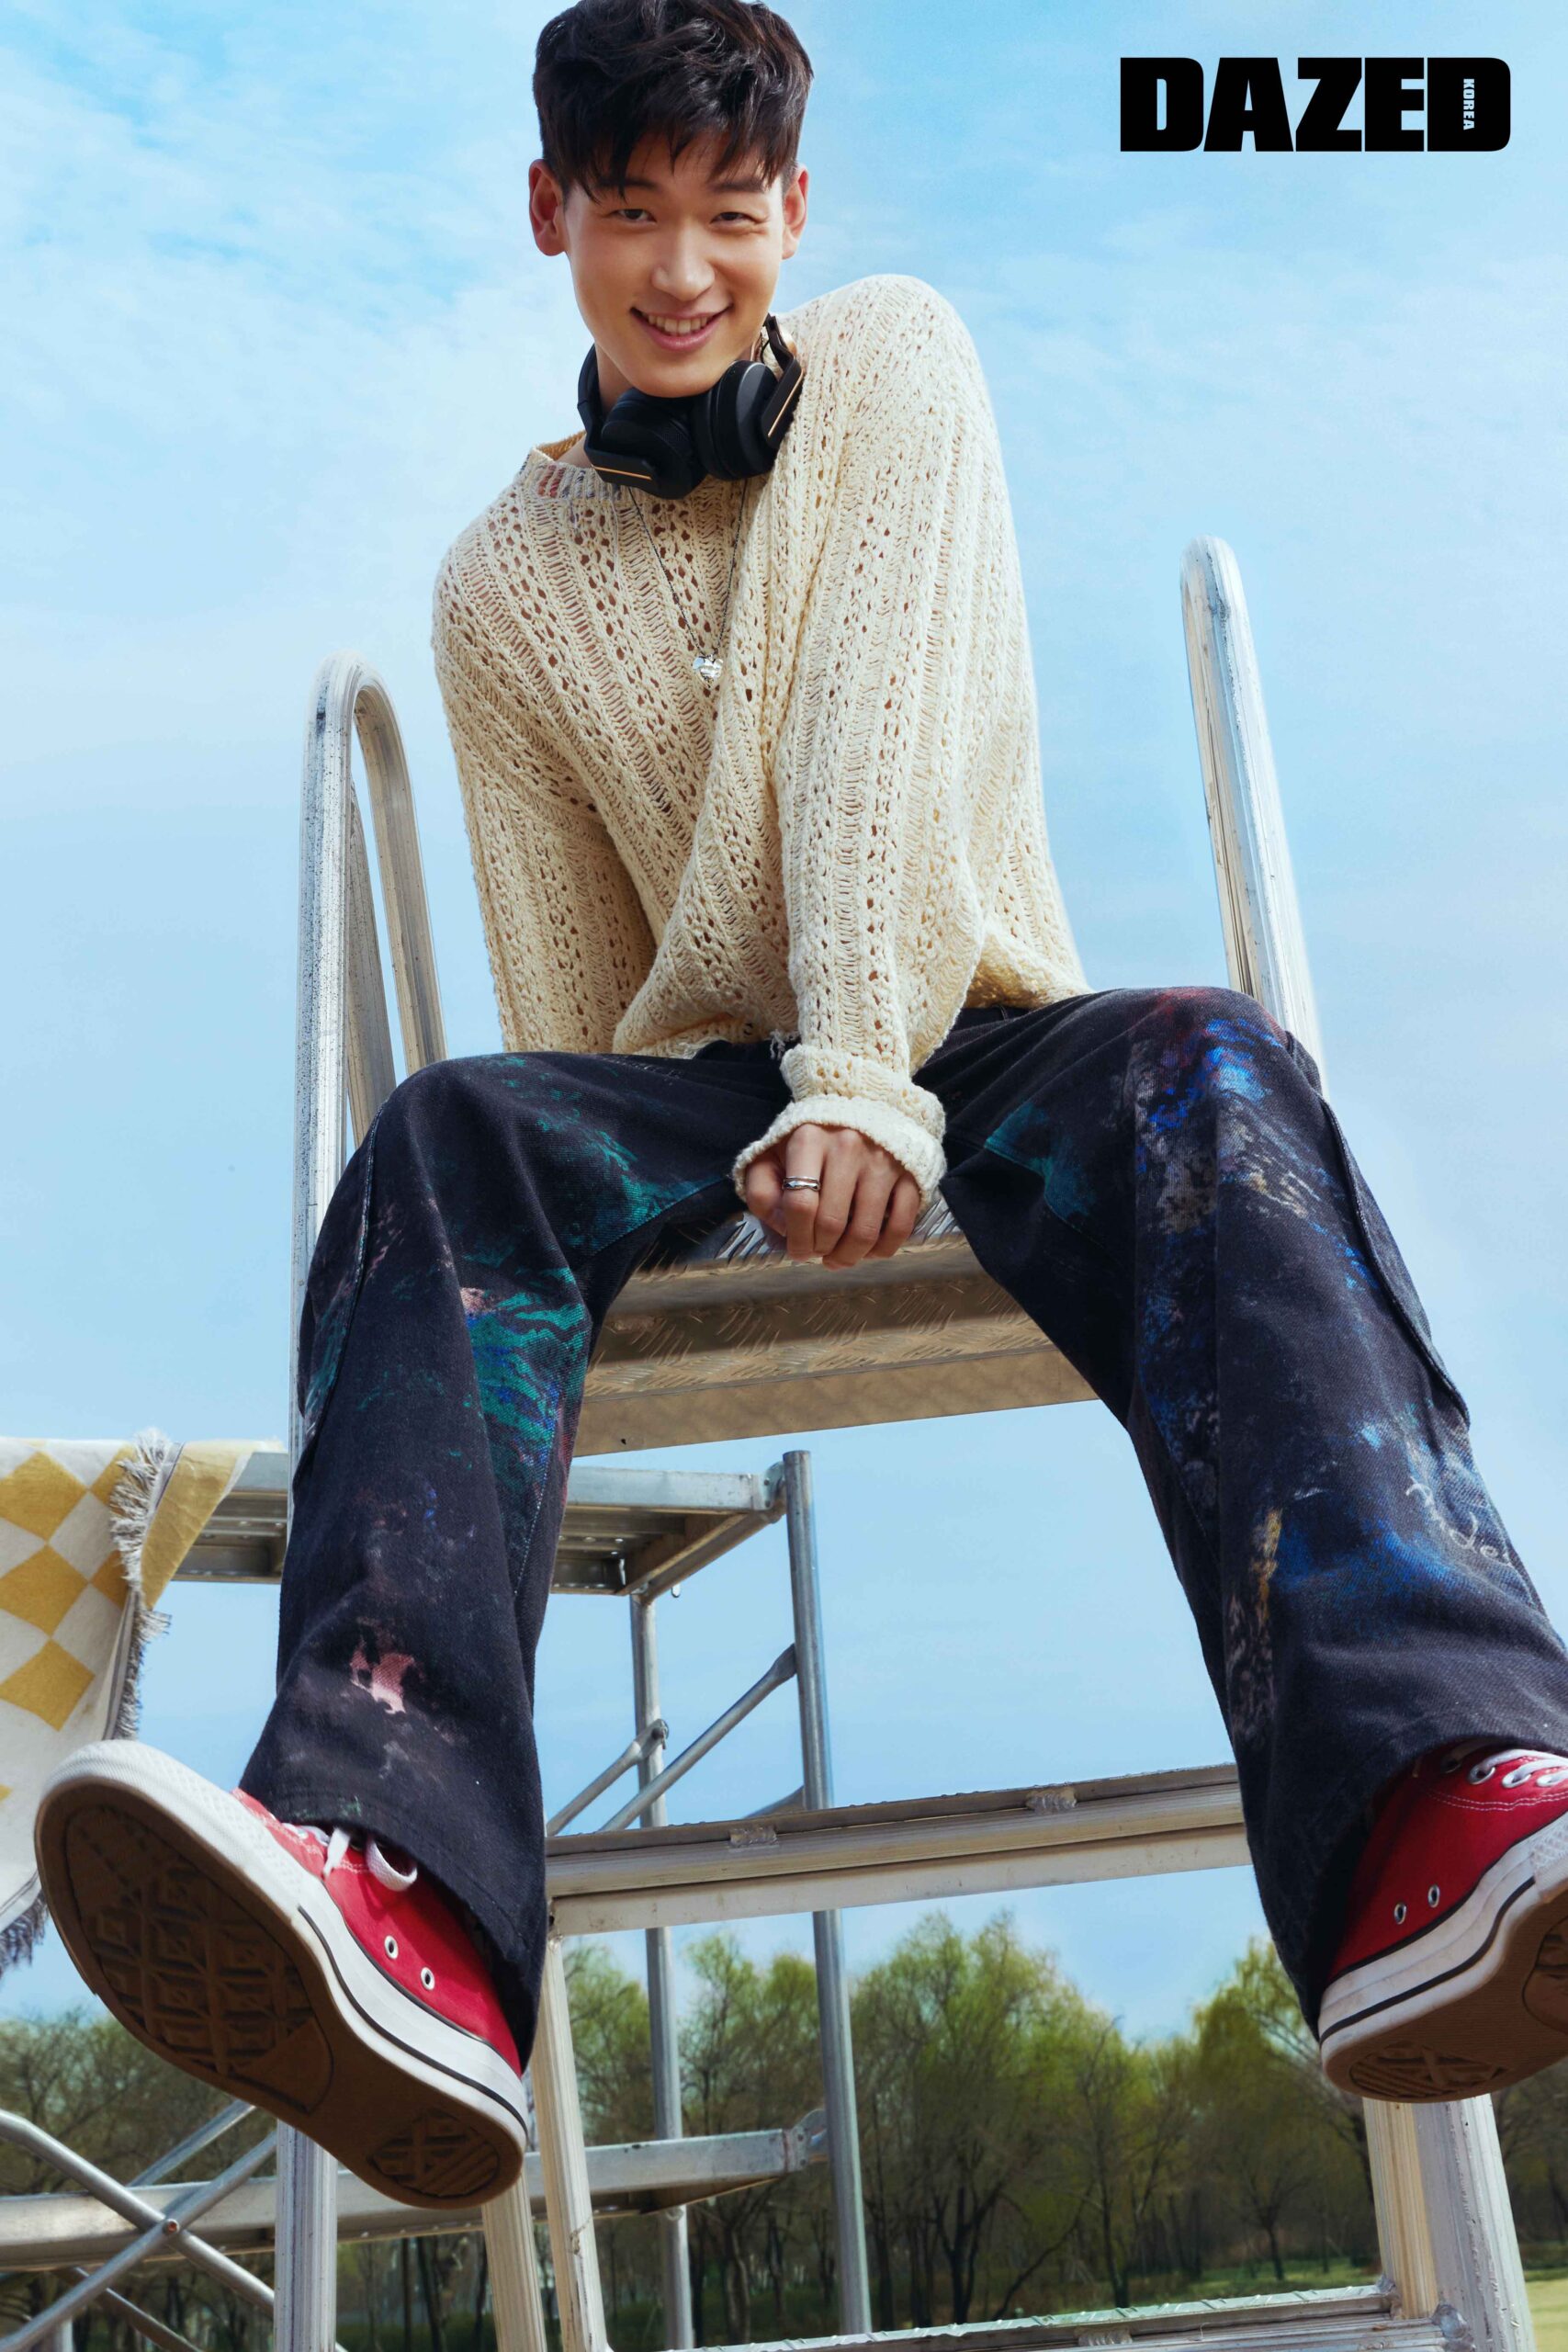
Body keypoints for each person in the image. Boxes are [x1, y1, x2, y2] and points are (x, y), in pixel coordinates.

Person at [35, 0, 1568, 2212]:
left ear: (794, 213)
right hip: (713, 1096)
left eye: (728, 214)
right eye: (630, 214)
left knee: (1219, 1061)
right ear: (548, 214)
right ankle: (394, 1892)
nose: (682, 269)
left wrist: (860, 1079)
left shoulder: (894, 362)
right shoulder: (492, 586)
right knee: (451, 1124)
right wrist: (699, 1168)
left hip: (970, 1014)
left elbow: (871, 745)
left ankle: (1433, 1804)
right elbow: (580, 1000)